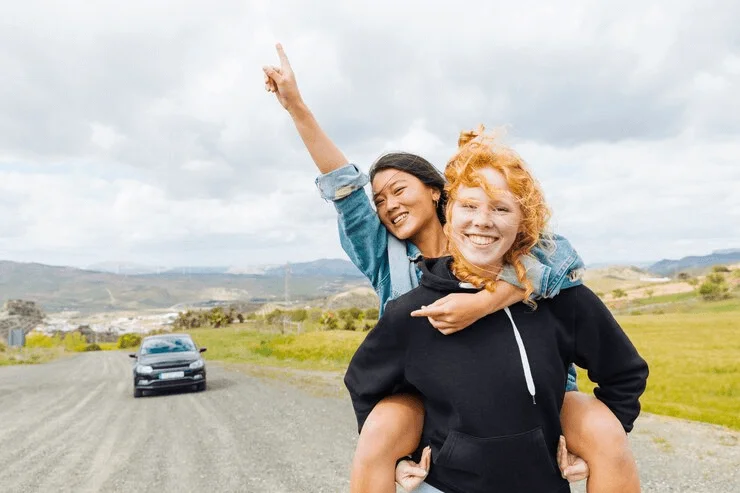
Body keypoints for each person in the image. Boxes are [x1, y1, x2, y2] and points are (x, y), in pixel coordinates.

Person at [263, 44, 641, 492]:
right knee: (384, 428)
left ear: (438, 194)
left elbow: (560, 255)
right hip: (441, 410)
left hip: (534, 404)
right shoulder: (391, 265)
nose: (387, 204)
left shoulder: (502, 240)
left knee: (596, 426)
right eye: (380, 199)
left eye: (398, 189)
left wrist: (490, 298)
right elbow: (345, 188)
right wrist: (297, 106)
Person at [344, 128, 649, 493]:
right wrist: (397, 456)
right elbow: (364, 386)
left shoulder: (563, 301)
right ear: (450, 211)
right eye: (470, 206)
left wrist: (597, 446)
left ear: (522, 221)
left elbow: (625, 374)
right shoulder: (413, 311)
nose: (483, 221)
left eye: (501, 208)